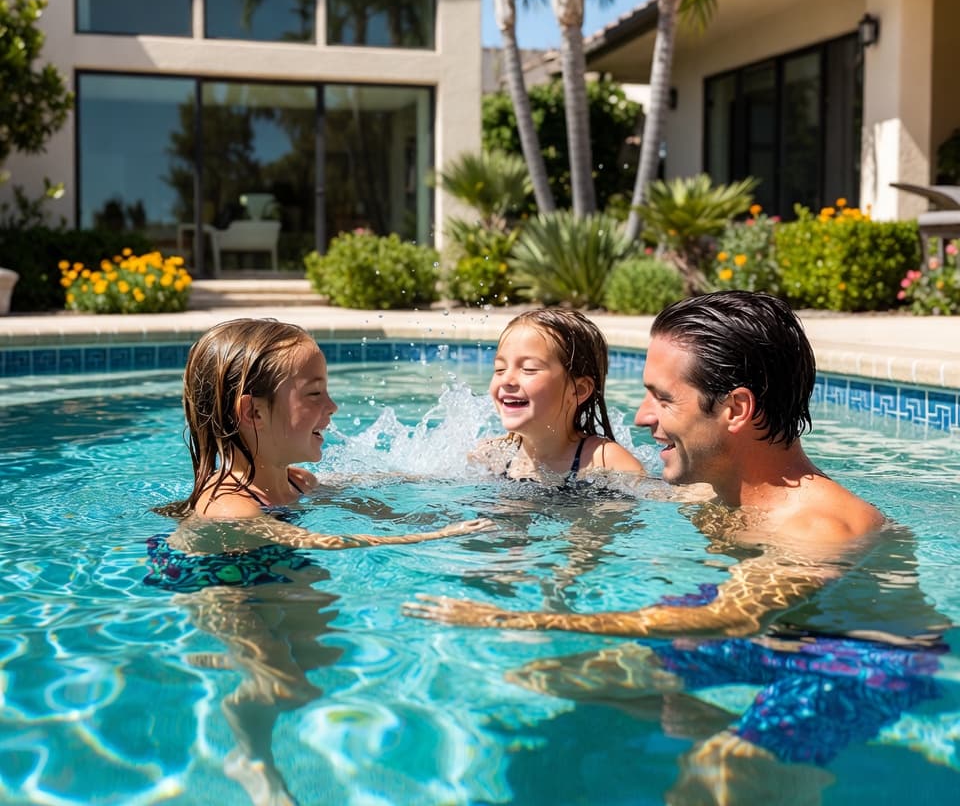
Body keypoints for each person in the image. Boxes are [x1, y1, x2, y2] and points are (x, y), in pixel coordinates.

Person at [405, 293, 948, 803]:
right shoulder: (711, 492)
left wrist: (514, 620)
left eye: (662, 398)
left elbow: (724, 619)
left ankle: (778, 768)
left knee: (717, 771)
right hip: (776, 624)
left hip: (856, 657)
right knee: (557, 677)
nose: (642, 417)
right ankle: (701, 720)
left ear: (735, 409)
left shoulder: (819, 528)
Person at [145, 317, 492, 806]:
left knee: (316, 664)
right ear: (253, 413)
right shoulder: (228, 502)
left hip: (268, 566)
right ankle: (248, 752)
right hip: (219, 580)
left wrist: (436, 489)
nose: (331, 407)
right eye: (313, 394)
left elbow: (358, 498)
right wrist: (430, 536)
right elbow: (318, 541)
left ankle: (254, 751)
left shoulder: (293, 480)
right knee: (284, 684)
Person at [471, 307, 647, 484]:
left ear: (579, 390)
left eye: (529, 369)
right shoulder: (491, 457)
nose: (507, 379)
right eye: (499, 369)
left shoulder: (607, 462)